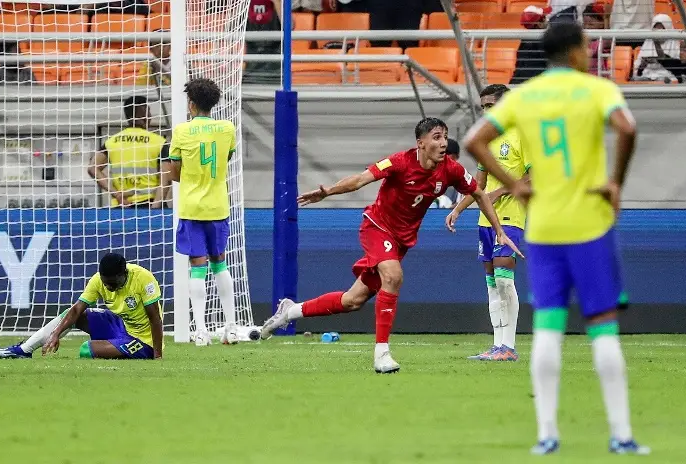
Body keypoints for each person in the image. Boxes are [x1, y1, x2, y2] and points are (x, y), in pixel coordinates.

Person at [462, 22, 649, 455]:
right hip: (589, 224)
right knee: (602, 327)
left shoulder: (524, 97)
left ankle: (547, 434)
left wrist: (515, 183)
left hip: (544, 227)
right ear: (576, 51)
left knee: (548, 326)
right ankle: (620, 435)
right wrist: (616, 182)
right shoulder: (597, 90)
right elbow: (627, 128)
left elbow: (475, 140)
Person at [260, 117, 522, 374]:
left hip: (400, 241)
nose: (444, 143)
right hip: (377, 227)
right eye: (437, 137)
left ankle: (289, 311)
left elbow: (478, 193)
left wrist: (499, 230)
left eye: (445, 137)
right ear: (420, 143)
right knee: (394, 276)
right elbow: (361, 179)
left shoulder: (451, 170)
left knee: (353, 300)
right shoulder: (399, 162)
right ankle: (382, 353)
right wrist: (328, 191)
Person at [446, 84, 529, 362]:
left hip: (510, 217)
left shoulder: (523, 135)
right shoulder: (487, 141)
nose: (486, 112)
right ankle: (497, 346)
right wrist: (458, 208)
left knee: (505, 281)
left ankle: (510, 346)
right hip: (485, 219)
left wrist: (500, 192)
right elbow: (478, 185)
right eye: (483, 106)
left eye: (491, 105)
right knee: (492, 284)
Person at [169, 78, 237, 347]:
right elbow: (227, 159)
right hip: (218, 205)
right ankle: (230, 328)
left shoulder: (182, 131)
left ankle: (200, 331)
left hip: (192, 206)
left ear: (191, 103)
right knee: (220, 262)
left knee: (197, 265)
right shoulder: (227, 129)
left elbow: (174, 174)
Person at [0, 253, 164, 360]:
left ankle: (120, 348)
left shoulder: (143, 279)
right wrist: (55, 334)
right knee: (73, 314)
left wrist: (157, 356)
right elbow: (76, 309)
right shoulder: (98, 280)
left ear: (124, 274)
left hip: (143, 340)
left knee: (85, 350)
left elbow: (155, 319)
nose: (108, 288)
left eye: (112, 284)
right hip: (121, 325)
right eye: (106, 283)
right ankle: (25, 350)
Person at [88, 96, 169, 208]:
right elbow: (165, 179)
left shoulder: (112, 142)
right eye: (148, 111)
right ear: (145, 114)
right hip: (149, 205)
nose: (150, 116)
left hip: (121, 206)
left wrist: (115, 194)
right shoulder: (159, 142)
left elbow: (92, 168)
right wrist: (156, 206)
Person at [633, 14, 679, 82]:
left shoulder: (674, 43)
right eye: (656, 28)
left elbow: (675, 66)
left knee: (662, 80)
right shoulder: (648, 41)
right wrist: (644, 63)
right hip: (647, 75)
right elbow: (638, 68)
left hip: (665, 76)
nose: (658, 32)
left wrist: (657, 60)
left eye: (661, 28)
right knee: (635, 80)